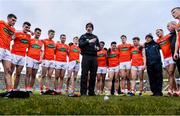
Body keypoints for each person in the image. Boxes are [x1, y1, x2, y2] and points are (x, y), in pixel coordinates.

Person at [79, 22, 100, 96]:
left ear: (92, 29)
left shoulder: (95, 37)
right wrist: (89, 41)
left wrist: (98, 48)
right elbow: (80, 45)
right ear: (86, 28)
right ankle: (83, 92)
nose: (89, 28)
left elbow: (98, 47)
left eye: (90, 27)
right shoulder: (83, 36)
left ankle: (91, 92)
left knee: (93, 75)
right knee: (84, 74)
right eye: (87, 27)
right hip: (86, 56)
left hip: (94, 57)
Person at [156, 29, 179, 96]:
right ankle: (176, 90)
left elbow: (175, 33)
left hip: (171, 56)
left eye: (158, 32)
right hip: (165, 59)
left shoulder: (168, 36)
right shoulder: (158, 41)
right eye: (156, 33)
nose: (157, 33)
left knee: (171, 72)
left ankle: (170, 90)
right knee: (170, 74)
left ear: (162, 32)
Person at [11, 22, 31, 90]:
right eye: (26, 27)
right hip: (14, 54)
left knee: (18, 74)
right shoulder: (17, 32)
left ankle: (14, 89)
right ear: (22, 26)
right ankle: (8, 88)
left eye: (28, 28)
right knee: (10, 72)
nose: (27, 29)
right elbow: (11, 38)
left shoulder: (29, 36)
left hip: (22, 56)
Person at [0, 14, 17, 91]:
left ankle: (9, 90)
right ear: (8, 18)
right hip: (0, 47)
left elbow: (10, 38)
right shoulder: (1, 23)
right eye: (13, 20)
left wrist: (12, 38)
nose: (14, 22)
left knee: (8, 70)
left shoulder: (13, 30)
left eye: (15, 21)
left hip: (7, 50)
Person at [25, 28, 43, 92]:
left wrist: (41, 59)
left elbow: (42, 51)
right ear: (34, 33)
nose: (39, 34)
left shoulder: (41, 42)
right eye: (37, 33)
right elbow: (25, 47)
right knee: (28, 74)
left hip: (37, 60)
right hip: (29, 58)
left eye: (40, 33)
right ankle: (26, 89)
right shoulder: (30, 40)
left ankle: (30, 89)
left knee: (33, 75)